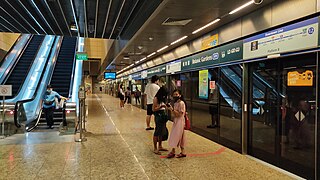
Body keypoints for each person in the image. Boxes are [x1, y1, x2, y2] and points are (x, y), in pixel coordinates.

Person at [166, 89, 187, 158]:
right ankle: (183, 151)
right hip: (176, 121)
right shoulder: (175, 103)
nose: (175, 96)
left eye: (176, 94)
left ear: (180, 95)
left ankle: (173, 151)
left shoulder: (181, 103)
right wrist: (171, 110)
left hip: (180, 121)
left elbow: (179, 114)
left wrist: (172, 110)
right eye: (174, 94)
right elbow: (175, 114)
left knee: (175, 135)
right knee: (181, 136)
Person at [152, 84, 169, 155]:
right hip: (158, 115)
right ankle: (155, 148)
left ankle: (160, 146)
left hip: (163, 115)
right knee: (157, 131)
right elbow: (153, 109)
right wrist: (160, 106)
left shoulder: (163, 99)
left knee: (162, 131)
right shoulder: (156, 98)